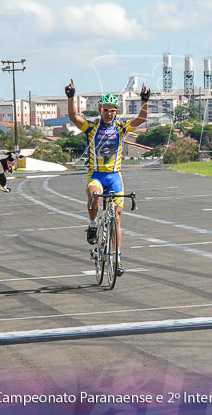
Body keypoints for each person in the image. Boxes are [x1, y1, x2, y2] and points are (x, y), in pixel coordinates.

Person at [66, 80, 150, 276]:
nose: (109, 113)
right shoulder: (91, 127)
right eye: (106, 109)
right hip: (95, 174)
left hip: (114, 176)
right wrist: (70, 96)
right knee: (94, 196)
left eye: (113, 110)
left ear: (116, 111)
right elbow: (72, 117)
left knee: (117, 218)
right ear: (100, 110)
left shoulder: (121, 128)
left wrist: (144, 100)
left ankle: (118, 257)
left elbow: (141, 119)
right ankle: (93, 225)